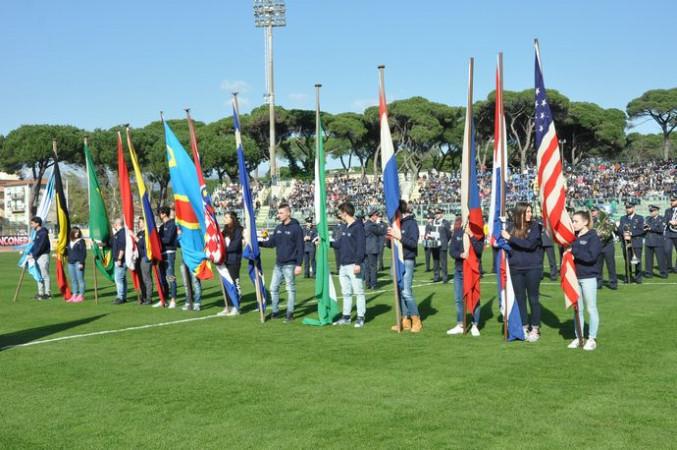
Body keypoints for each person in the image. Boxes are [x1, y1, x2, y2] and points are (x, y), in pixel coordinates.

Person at [501, 202, 544, 342]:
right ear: (520, 213)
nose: (530, 214)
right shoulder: (511, 227)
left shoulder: (536, 227)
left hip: (532, 267)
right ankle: (524, 326)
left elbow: (530, 245)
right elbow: (505, 244)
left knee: (533, 298)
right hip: (516, 268)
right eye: (527, 212)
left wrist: (510, 238)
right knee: (520, 299)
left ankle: (535, 328)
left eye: (531, 211)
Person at [259, 203, 304, 322]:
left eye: (281, 213)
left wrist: (299, 265)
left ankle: (290, 313)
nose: (279, 215)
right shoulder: (278, 228)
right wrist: (258, 243)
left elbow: (301, 247)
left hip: (290, 264)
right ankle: (275, 311)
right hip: (278, 264)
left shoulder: (296, 228)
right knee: (273, 288)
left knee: (290, 289)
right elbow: (271, 243)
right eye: (278, 213)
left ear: (288, 213)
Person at [568, 210, 602, 351]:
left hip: (588, 277)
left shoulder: (593, 237)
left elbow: (591, 257)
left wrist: (574, 252)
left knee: (591, 308)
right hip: (575, 277)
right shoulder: (573, 237)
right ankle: (579, 336)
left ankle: (592, 338)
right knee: (577, 309)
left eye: (576, 221)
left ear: (585, 222)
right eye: (573, 221)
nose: (573, 224)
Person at [387, 200, 422, 333]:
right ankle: (405, 320)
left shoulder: (411, 223)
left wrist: (399, 237)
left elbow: (413, 244)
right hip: (397, 260)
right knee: (400, 291)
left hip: (407, 260)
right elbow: (391, 246)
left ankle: (416, 319)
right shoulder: (397, 224)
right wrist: (389, 238)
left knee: (406, 292)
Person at [330, 202, 367, 328]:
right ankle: (346, 317)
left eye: (340, 212)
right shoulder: (345, 227)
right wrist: (326, 243)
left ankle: (361, 317)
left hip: (353, 265)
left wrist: (358, 263)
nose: (339, 214)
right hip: (343, 265)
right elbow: (339, 244)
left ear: (345, 212)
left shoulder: (358, 226)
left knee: (358, 291)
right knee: (346, 292)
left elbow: (361, 247)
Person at [447, 217, 483, 336]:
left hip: (472, 271)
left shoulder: (477, 233)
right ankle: (460, 324)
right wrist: (460, 254)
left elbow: (479, 250)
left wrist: (471, 235)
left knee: (474, 299)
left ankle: (474, 324)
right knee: (458, 299)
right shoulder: (457, 233)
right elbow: (451, 251)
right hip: (459, 271)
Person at [217, 211, 243, 316]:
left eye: (227, 217)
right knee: (226, 283)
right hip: (225, 260)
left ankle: (236, 306)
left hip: (234, 260)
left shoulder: (238, 230)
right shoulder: (225, 230)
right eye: (225, 217)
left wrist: (223, 250)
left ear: (233, 218)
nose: (225, 219)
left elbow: (236, 245)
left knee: (234, 283)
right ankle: (228, 306)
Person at [617, 202, 645, 284]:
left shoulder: (640, 218)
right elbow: (620, 229)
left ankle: (638, 277)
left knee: (637, 261)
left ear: (633, 208)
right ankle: (628, 277)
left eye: (629, 208)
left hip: (636, 243)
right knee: (627, 261)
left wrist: (631, 233)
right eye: (626, 208)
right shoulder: (623, 218)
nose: (627, 209)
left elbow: (641, 230)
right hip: (625, 243)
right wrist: (623, 232)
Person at [156, 206, 177, 308]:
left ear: (164, 213)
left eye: (160, 213)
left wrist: (159, 240)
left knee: (170, 276)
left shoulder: (172, 224)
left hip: (169, 252)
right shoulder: (161, 227)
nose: (159, 215)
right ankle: (164, 299)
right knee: (162, 277)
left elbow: (168, 240)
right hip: (161, 254)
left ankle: (173, 299)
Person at [591, 206, 618, 290]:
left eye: (593, 211)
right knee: (598, 266)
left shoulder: (608, 220)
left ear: (598, 211)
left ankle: (613, 283)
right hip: (598, 246)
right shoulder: (592, 221)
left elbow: (608, 233)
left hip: (607, 245)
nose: (592, 213)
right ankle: (599, 283)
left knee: (611, 265)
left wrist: (599, 233)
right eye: (591, 211)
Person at [28, 216, 51, 300]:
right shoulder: (36, 232)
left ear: (37, 223)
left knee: (45, 274)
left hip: (43, 256)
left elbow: (41, 246)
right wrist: (29, 252)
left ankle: (47, 293)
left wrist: (33, 254)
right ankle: (41, 292)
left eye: (32, 223)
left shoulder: (43, 233)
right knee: (38, 275)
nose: (31, 225)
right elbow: (35, 245)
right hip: (36, 256)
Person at [644, 205, 668, 278]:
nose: (651, 212)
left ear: (657, 211)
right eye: (650, 211)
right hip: (648, 241)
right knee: (648, 260)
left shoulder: (662, 219)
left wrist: (650, 228)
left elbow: (661, 229)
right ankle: (648, 273)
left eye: (652, 211)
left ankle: (663, 273)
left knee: (661, 259)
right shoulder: (647, 219)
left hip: (658, 241)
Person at [364, 210, 385, 289]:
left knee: (367, 267)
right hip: (372, 249)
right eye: (376, 216)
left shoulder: (365, 224)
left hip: (366, 249)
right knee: (373, 267)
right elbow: (380, 231)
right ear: (372, 216)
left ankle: (367, 283)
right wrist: (379, 224)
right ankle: (373, 284)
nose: (377, 217)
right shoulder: (372, 225)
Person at [65, 226, 86, 303]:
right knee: (73, 280)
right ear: (72, 232)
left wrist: (81, 262)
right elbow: (68, 252)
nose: (77, 233)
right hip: (71, 263)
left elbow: (83, 253)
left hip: (78, 262)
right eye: (76, 232)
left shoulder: (81, 241)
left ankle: (81, 295)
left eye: (78, 232)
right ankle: (74, 294)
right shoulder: (70, 242)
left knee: (80, 279)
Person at [135, 216, 153, 305]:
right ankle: (144, 296)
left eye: (140, 222)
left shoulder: (147, 233)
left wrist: (135, 238)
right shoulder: (139, 233)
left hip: (146, 257)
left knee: (147, 278)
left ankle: (149, 298)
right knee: (141, 279)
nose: (138, 223)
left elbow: (142, 244)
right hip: (139, 258)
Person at [431, 208, 451, 283]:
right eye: (436, 213)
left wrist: (444, 241)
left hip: (442, 244)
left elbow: (449, 234)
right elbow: (429, 230)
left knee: (443, 262)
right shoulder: (433, 222)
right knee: (435, 261)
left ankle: (444, 277)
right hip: (434, 244)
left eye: (438, 213)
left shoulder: (446, 223)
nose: (436, 215)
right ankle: (436, 276)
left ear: (442, 214)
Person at [112, 218, 127, 304]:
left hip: (120, 260)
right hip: (118, 259)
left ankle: (120, 297)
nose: (113, 225)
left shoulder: (122, 233)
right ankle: (123, 296)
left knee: (118, 278)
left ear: (117, 224)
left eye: (114, 223)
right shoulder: (118, 233)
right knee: (122, 279)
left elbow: (122, 247)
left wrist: (119, 258)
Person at [665, 192, 677, 273]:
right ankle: (669, 267)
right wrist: (670, 221)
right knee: (667, 250)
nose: (671, 202)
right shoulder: (667, 210)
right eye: (671, 200)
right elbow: (665, 220)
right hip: (669, 233)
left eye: (673, 200)